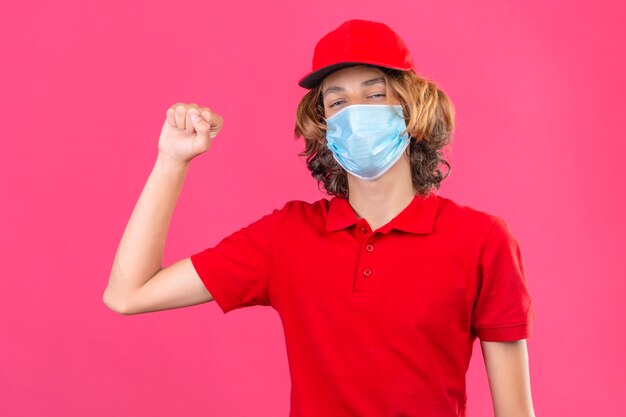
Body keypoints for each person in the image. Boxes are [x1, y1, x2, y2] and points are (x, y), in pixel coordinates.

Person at [104, 19, 537, 417]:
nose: (356, 112)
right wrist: (171, 160)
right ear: (322, 123)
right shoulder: (287, 236)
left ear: (410, 107)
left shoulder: (481, 239)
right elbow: (130, 293)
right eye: (337, 100)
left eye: (374, 93)